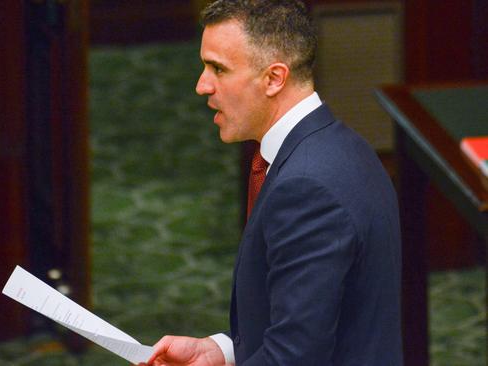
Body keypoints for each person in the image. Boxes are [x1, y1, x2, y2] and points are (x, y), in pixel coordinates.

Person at [140, 0, 403, 365]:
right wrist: (221, 351)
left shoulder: (308, 189)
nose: (202, 86)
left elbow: (294, 357)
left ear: (274, 78)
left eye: (218, 68)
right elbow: (313, 322)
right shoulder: (343, 147)